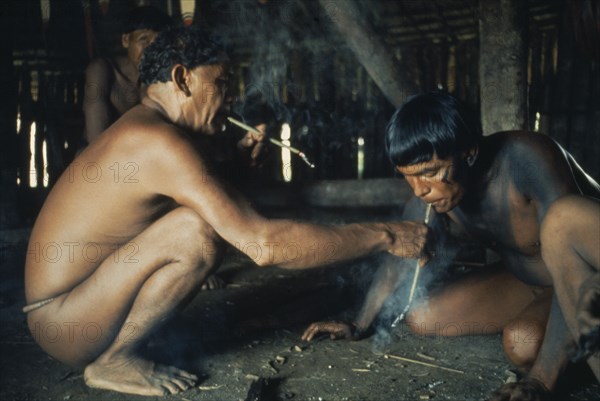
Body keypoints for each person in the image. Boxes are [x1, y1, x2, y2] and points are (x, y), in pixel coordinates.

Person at [23, 27, 428, 397]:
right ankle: (114, 359)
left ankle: (117, 349)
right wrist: (386, 235)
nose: (228, 97)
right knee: (196, 232)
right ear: (183, 79)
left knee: (196, 223)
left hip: (76, 310)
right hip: (63, 323)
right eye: (220, 83)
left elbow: (188, 200)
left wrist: (236, 167)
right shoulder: (154, 140)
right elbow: (264, 246)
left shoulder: (147, 129)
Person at [301, 92, 600, 400]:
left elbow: (574, 254)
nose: (420, 190)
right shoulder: (437, 192)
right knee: (423, 317)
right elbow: (401, 256)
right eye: (409, 178)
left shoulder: (526, 157)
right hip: (527, 282)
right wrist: (359, 322)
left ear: (468, 152)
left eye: (429, 173)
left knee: (523, 343)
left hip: (581, 280)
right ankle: (551, 328)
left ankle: (570, 354)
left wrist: (539, 380)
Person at [82, 6, 172, 144]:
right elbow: (95, 139)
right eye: (144, 40)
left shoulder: (163, 78)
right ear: (125, 40)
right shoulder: (102, 70)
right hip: (99, 156)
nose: (151, 50)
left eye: (159, 43)